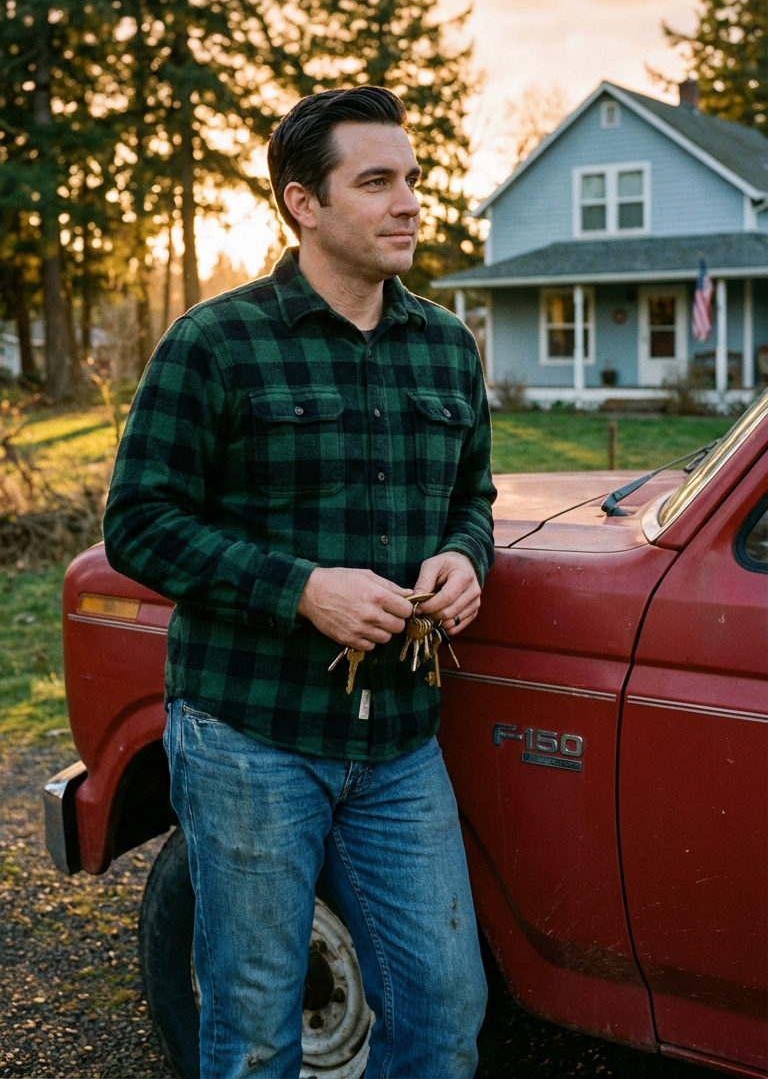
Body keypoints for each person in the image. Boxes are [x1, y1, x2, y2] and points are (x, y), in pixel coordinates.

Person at [103, 85, 496, 1079]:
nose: (409, 200)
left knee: (447, 1017)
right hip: (251, 735)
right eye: (377, 181)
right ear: (303, 203)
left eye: (412, 177)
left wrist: (465, 554)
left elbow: (473, 495)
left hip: (401, 741)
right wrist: (301, 587)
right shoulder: (216, 342)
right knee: (255, 1029)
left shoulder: (448, 348)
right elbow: (138, 523)